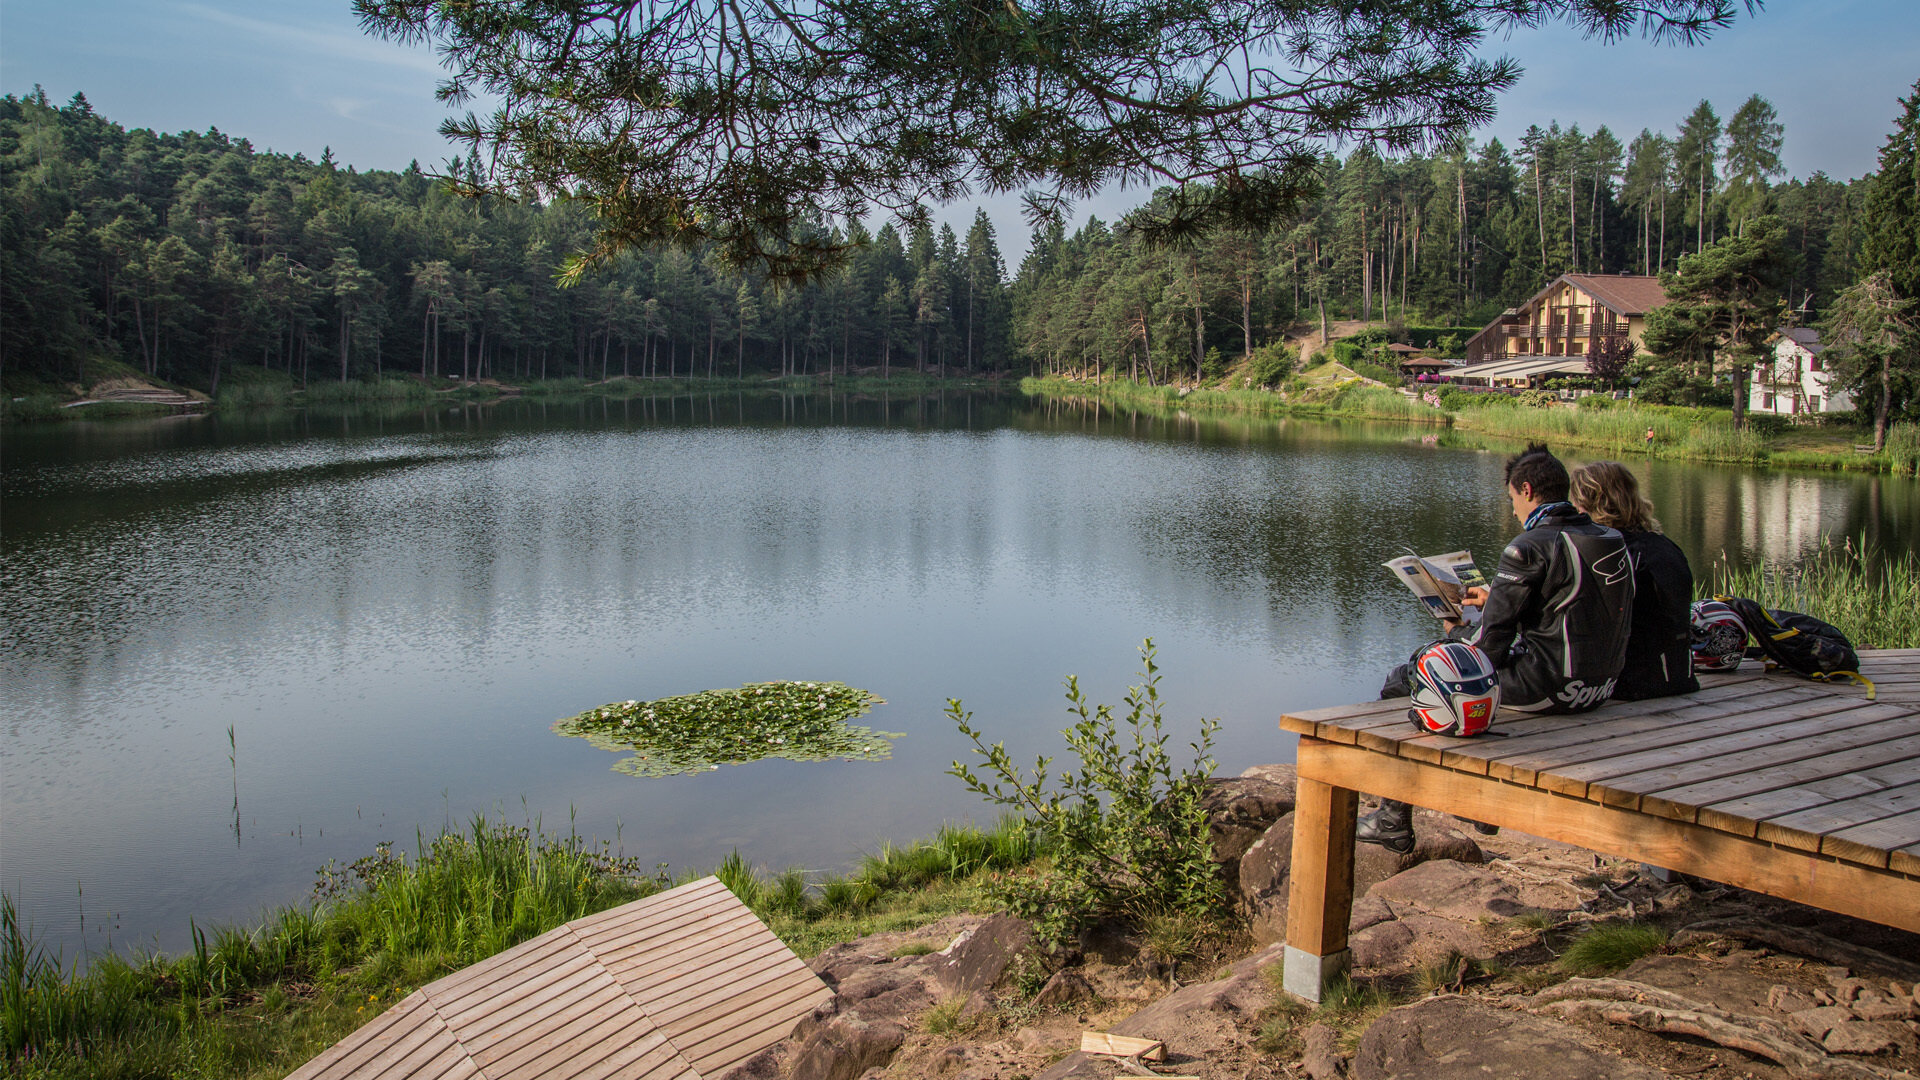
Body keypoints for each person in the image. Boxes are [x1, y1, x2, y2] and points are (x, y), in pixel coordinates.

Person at [1359, 443, 1635, 853]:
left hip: (1546, 688)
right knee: (1445, 670)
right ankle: (1468, 805)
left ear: (1527, 490)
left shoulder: (1528, 547)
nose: (1513, 511)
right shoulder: (1606, 536)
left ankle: (1395, 816)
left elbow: (1488, 649)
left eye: (1512, 500)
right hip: (1597, 687)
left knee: (1411, 676)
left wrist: (1453, 633)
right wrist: (1495, 601)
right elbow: (1568, 611)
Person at [1569, 461, 1698, 701]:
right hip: (1680, 676)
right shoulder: (1667, 546)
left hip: (1630, 684)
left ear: (1587, 506)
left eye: (1576, 503)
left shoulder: (1607, 555)